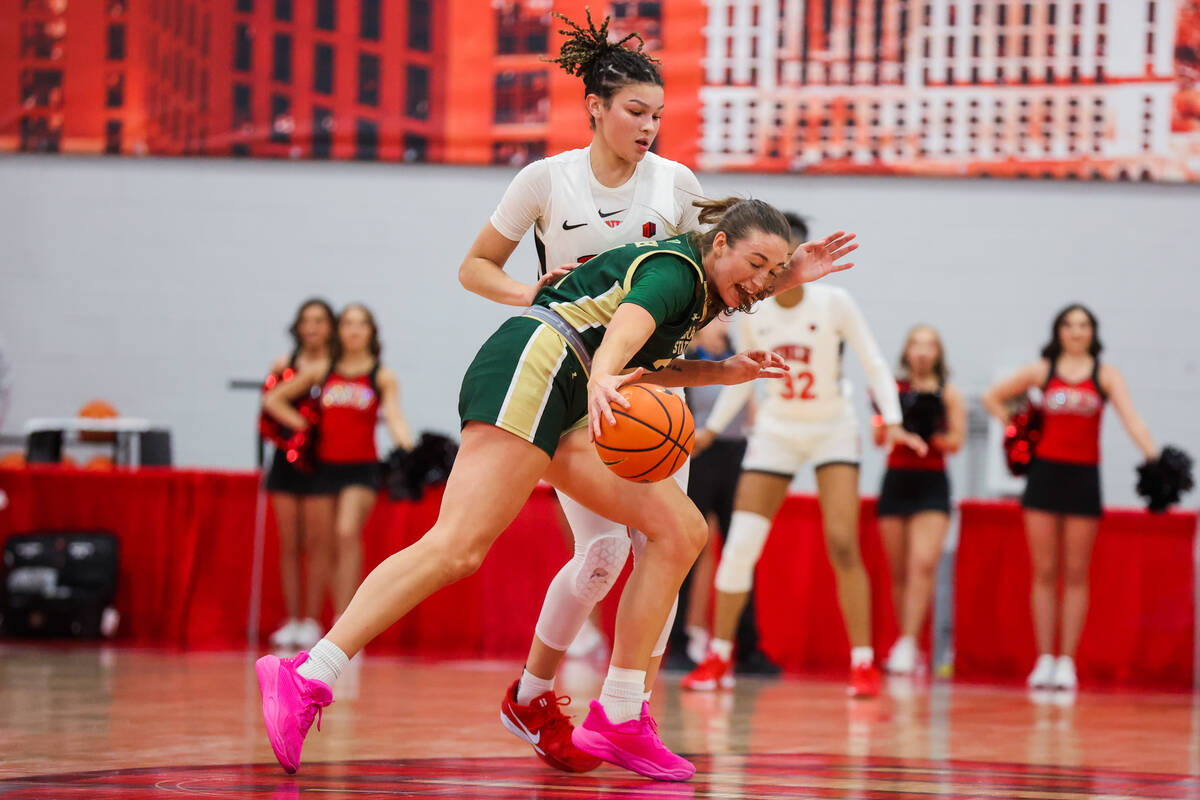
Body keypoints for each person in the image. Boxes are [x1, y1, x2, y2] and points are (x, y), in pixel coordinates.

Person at [255, 198, 858, 782]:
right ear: (720, 242)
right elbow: (626, 328)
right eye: (757, 266)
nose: (762, 282)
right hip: (537, 363)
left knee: (681, 530)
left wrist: (722, 370)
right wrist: (602, 376)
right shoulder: (678, 271)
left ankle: (621, 714)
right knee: (458, 548)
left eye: (772, 272)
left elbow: (650, 359)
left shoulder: (704, 288)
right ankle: (309, 673)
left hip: (568, 385)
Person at [456, 10, 706, 772]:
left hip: (653, 395)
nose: (650, 126)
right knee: (600, 557)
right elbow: (474, 267)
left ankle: (631, 714)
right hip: (573, 392)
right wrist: (528, 293)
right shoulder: (545, 179)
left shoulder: (676, 184)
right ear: (595, 107)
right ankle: (531, 693)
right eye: (636, 111)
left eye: (659, 114)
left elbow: (697, 289)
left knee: (663, 545)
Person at [681, 212, 922, 698]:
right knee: (742, 543)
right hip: (777, 431)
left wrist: (892, 419)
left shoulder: (835, 302)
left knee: (841, 541)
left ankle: (862, 663)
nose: (782, 265)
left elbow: (874, 360)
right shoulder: (754, 310)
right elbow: (740, 376)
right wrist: (707, 431)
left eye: (791, 254)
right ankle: (719, 655)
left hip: (832, 429)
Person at [982, 304, 1158, 691]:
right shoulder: (1041, 371)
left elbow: (1133, 420)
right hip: (1044, 477)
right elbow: (992, 397)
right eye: (1069, 324)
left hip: (1083, 479)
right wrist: (1019, 427)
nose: (1076, 332)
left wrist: (1155, 458)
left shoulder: (1106, 376)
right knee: (1044, 571)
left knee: (1076, 573)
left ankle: (1067, 663)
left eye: (1084, 325)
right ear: (1058, 330)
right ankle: (1044, 659)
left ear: (1093, 332)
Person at [263, 303, 415, 621]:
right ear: (339, 330)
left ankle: (345, 622)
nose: (354, 330)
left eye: (362, 324)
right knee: (323, 542)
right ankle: (315, 621)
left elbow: (395, 417)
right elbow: (274, 399)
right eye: (348, 323)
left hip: (362, 470)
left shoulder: (381, 375)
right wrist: (302, 426)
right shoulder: (323, 370)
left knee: (346, 532)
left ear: (371, 331)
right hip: (324, 469)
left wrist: (409, 447)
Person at [874, 324, 966, 675]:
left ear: (938, 353)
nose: (924, 352)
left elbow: (956, 440)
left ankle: (911, 641)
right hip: (897, 480)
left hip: (932, 482)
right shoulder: (891, 390)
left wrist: (931, 433)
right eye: (917, 345)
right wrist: (901, 429)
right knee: (899, 570)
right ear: (907, 351)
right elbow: (878, 434)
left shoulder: (949, 394)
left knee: (922, 564)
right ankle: (904, 641)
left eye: (931, 346)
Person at [263, 299, 336, 650]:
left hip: (322, 463)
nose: (312, 327)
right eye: (306, 320)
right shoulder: (284, 365)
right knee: (289, 544)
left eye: (319, 320)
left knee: (319, 543)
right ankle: (291, 619)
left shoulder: (337, 368)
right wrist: (302, 428)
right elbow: (271, 404)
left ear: (330, 326)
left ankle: (312, 620)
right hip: (286, 460)